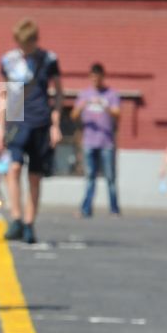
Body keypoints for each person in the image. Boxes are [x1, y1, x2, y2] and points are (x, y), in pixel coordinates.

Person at [0, 18, 63, 245]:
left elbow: (59, 94)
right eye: (20, 43)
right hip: (16, 121)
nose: (23, 48)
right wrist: (0, 127)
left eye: (27, 43)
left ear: (35, 40)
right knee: (13, 169)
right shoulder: (9, 60)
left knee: (35, 176)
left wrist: (56, 125)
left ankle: (29, 223)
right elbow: (3, 94)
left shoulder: (49, 60)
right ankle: (15, 217)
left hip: (41, 122)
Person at [74, 62, 121, 217]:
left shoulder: (111, 94)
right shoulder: (85, 94)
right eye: (93, 78)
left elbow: (118, 114)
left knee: (110, 177)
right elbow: (73, 115)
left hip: (106, 141)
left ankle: (114, 209)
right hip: (89, 141)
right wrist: (82, 106)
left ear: (102, 77)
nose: (95, 81)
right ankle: (86, 209)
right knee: (90, 177)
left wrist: (104, 105)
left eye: (98, 78)